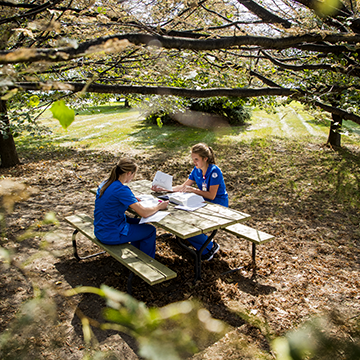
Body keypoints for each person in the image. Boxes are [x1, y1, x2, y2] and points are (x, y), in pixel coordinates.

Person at [152, 143, 228, 261]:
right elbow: (183, 186)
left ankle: (209, 248)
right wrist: (164, 189)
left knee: (188, 224)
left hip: (218, 206)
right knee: (179, 217)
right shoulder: (196, 170)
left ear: (205, 158)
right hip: (202, 203)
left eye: (196, 159)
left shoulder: (214, 171)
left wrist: (193, 190)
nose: (194, 162)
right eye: (193, 159)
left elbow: (212, 196)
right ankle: (194, 241)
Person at [94, 157, 169, 258]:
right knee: (150, 230)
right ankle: (147, 264)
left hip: (100, 228)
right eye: (134, 174)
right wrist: (159, 207)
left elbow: (113, 199)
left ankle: (138, 254)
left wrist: (131, 199)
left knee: (139, 223)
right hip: (110, 233)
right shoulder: (121, 189)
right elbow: (144, 213)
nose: (133, 177)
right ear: (129, 173)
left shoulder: (106, 183)